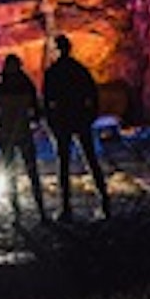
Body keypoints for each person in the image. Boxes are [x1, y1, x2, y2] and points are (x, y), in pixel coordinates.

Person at [42, 34, 110, 220]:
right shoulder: (79, 70)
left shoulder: (53, 72)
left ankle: (66, 208)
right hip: (80, 119)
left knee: (63, 164)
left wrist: (51, 122)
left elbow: (47, 101)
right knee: (91, 160)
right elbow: (92, 94)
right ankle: (104, 203)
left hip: (63, 121)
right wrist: (90, 116)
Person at [0, 53, 48, 222]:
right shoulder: (26, 84)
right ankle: (40, 210)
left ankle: (17, 212)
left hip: (7, 134)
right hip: (22, 132)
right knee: (31, 171)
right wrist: (28, 120)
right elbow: (37, 111)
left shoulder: (0, 87)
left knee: (11, 173)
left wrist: (3, 122)